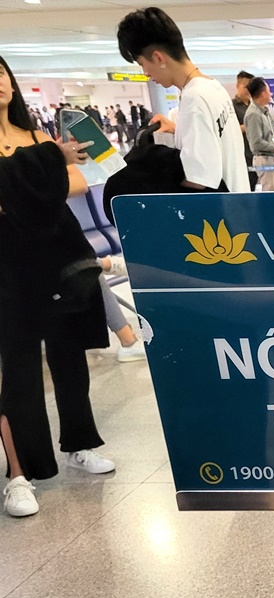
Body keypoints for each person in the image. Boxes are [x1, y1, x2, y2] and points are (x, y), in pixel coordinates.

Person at [0, 54, 116, 519]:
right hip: (8, 267)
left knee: (69, 356)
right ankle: (19, 473)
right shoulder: (44, 147)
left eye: (2, 74)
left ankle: (80, 443)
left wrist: (29, 177)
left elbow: (75, 183)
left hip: (55, 259)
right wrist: (45, 167)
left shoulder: (34, 137)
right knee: (20, 367)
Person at [116, 7, 250, 193]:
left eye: (142, 64)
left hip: (220, 218)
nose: (145, 73)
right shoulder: (212, 87)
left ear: (158, 57)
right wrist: (178, 130)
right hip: (240, 204)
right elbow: (214, 143)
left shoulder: (194, 98)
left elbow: (199, 180)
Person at [232, 70, 258, 191]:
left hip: (255, 154)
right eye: (245, 86)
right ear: (237, 86)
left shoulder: (254, 107)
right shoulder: (230, 107)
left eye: (250, 87)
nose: (248, 90)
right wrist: (248, 126)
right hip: (241, 156)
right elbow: (229, 131)